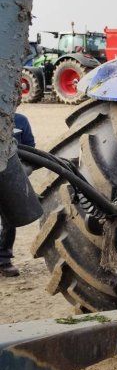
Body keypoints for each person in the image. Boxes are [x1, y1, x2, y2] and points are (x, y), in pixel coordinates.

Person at [0, 113, 36, 277]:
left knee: (9, 220)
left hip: (9, 178)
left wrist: (23, 171)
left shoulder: (21, 120)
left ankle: (4, 260)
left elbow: (30, 149)